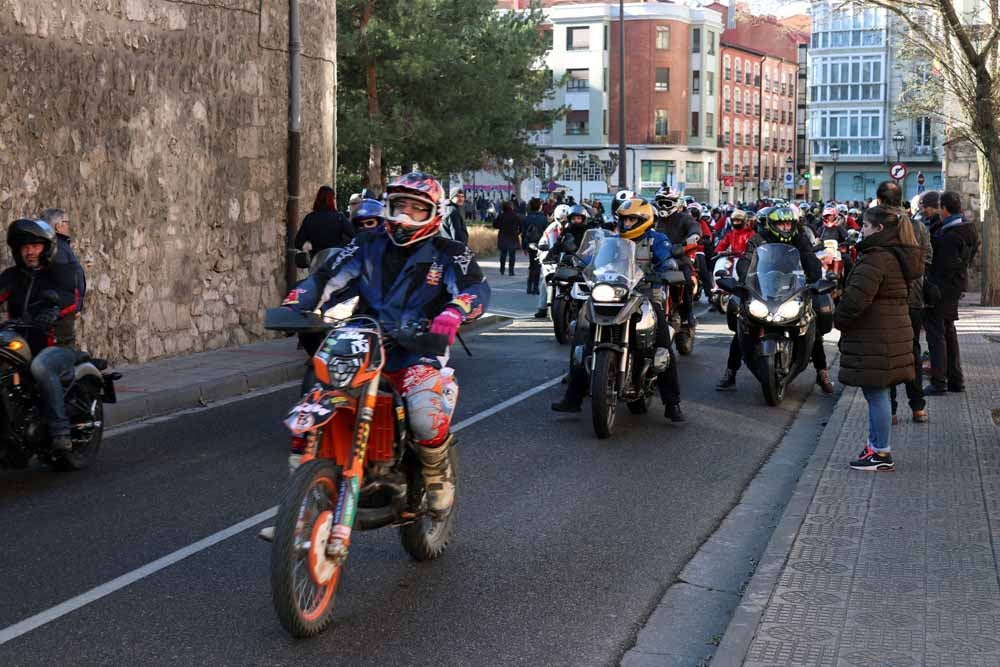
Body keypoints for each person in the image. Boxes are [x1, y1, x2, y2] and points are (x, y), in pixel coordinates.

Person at [279, 172, 489, 512]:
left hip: (417, 350)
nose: (404, 215)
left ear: (434, 213)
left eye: (416, 208)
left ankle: (436, 472)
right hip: (362, 342)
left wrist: (455, 310)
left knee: (423, 415)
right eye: (399, 205)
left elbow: (475, 288)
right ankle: (299, 506)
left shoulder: (450, 252)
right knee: (312, 404)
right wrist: (295, 303)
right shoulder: (367, 242)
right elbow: (326, 277)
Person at [552, 198, 684, 422]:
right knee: (582, 338)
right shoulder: (612, 240)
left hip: (646, 295)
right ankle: (573, 398)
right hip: (613, 294)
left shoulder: (656, 241)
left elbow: (667, 262)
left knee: (662, 344)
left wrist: (667, 270)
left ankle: (672, 403)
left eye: (632, 219)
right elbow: (591, 260)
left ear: (644, 220)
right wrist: (576, 266)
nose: (627, 224)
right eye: (624, 219)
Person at [836, 206, 923, 471]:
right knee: (880, 391)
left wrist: (837, 319)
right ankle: (875, 446)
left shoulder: (877, 258)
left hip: (876, 333)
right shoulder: (898, 254)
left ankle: (880, 453)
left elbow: (856, 299)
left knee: (877, 394)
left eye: (865, 225)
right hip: (892, 330)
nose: (861, 229)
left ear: (879, 229)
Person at [717, 207, 832, 392]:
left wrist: (813, 280)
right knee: (743, 323)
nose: (785, 227)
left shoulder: (800, 238)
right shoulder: (758, 239)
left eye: (789, 223)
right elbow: (746, 261)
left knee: (812, 322)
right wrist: (744, 281)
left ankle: (822, 372)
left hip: (795, 286)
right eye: (781, 224)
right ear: (771, 225)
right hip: (764, 287)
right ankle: (731, 372)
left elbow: (811, 262)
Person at [0, 219, 81, 453]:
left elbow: (70, 297)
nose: (29, 251)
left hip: (56, 346)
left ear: (46, 247)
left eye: (35, 245)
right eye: (24, 247)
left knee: (41, 367)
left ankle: (60, 431)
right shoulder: (13, 276)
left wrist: (53, 311)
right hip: (21, 343)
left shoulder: (59, 272)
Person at [923, 191, 980, 395]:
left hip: (942, 290)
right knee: (948, 332)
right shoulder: (966, 229)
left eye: (939, 207)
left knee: (937, 334)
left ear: (944, 209)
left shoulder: (950, 236)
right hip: (954, 287)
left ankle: (939, 381)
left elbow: (942, 268)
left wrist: (931, 289)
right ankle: (955, 380)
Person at [654, 189, 700, 337]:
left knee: (686, 279)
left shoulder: (684, 218)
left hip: (678, 259)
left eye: (667, 203)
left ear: (675, 204)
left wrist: (692, 237)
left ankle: (687, 315)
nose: (663, 206)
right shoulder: (653, 218)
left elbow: (694, 228)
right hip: (654, 260)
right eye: (660, 203)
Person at [39, 208, 86, 312]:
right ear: (58, 226)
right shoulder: (57, 248)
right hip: (60, 312)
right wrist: (75, 308)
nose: (68, 226)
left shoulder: (59, 246)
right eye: (67, 222)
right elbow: (64, 282)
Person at [295, 186, 354, 259]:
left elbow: (298, 242)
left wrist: (309, 246)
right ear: (331, 200)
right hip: (334, 261)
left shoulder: (310, 218)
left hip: (316, 262)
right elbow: (354, 236)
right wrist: (343, 246)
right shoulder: (339, 218)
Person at [534, 204, 570, 318]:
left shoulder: (573, 228)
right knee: (545, 282)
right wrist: (542, 249)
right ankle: (542, 307)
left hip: (569, 259)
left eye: (566, 220)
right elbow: (543, 241)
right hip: (553, 259)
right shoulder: (551, 228)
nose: (563, 222)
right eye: (560, 219)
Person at [522, 198, 546, 295]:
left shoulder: (526, 218)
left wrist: (523, 246)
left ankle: (529, 286)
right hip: (540, 244)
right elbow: (546, 233)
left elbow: (523, 233)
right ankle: (535, 287)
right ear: (540, 206)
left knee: (531, 265)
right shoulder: (543, 218)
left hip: (529, 243)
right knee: (537, 266)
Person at [494, 201, 522, 276]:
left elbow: (495, 225)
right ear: (511, 207)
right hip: (513, 236)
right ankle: (511, 271)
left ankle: (502, 269)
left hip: (503, 236)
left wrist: (501, 226)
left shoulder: (501, 215)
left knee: (503, 254)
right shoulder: (515, 215)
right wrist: (518, 232)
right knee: (512, 255)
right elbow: (521, 225)